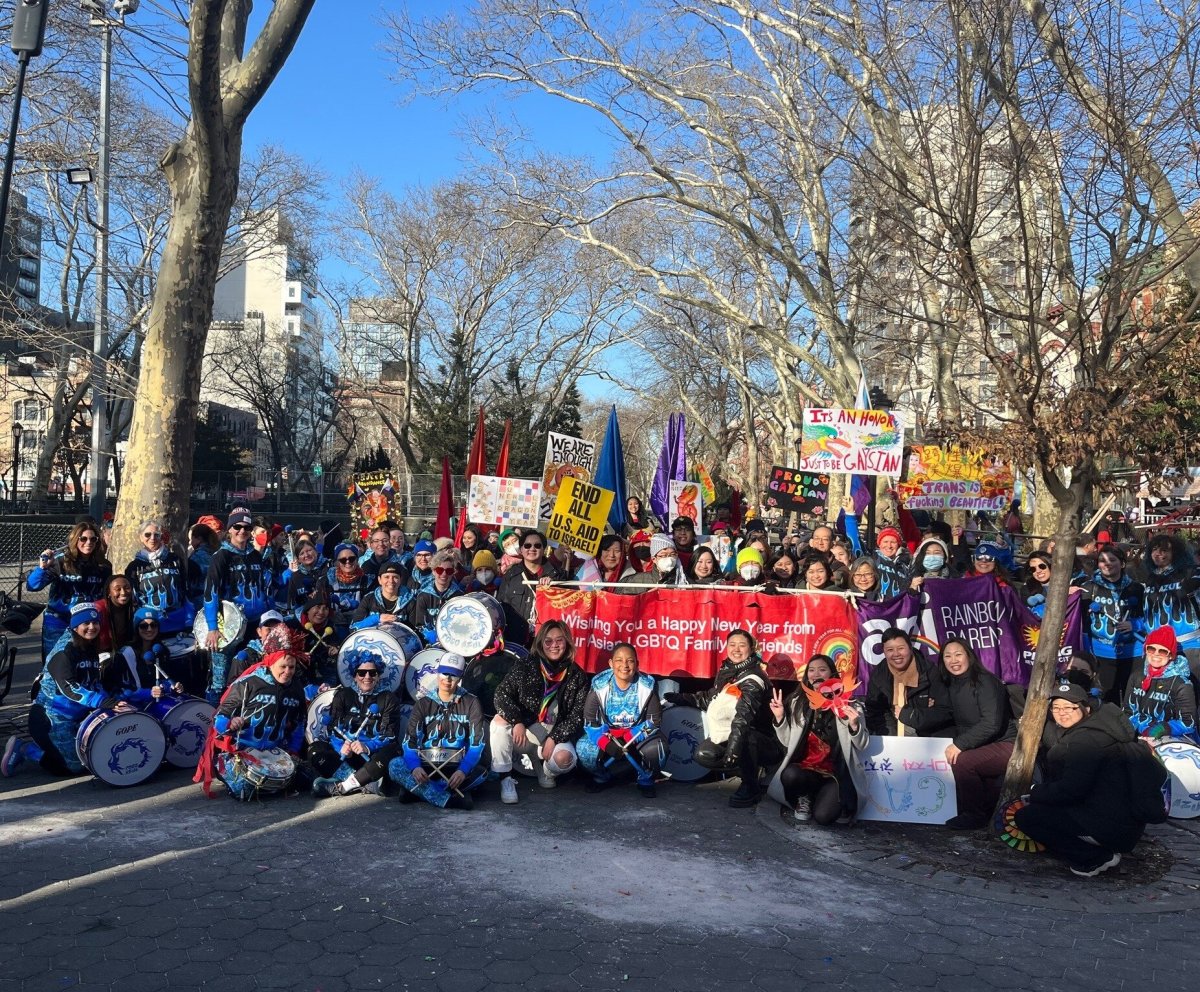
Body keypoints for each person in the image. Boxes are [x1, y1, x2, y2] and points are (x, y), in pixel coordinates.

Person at [1015, 681, 1150, 877]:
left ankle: (1093, 857)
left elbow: (1070, 791)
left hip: (1109, 826)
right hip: (1123, 823)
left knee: (1027, 817)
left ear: (1086, 708)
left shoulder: (1086, 741)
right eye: (1056, 708)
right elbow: (1059, 741)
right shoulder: (1100, 729)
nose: (1062, 713)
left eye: (1069, 707)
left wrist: (1034, 792)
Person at [2, 603, 138, 777]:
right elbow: (70, 688)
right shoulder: (64, 651)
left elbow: (93, 684)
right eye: (86, 623)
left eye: (95, 623)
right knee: (74, 767)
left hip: (77, 716)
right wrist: (104, 702)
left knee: (93, 757)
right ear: (75, 626)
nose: (92, 627)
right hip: (50, 718)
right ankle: (26, 749)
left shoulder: (88, 647)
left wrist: (118, 701)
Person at [901, 638, 1015, 829]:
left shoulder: (985, 682)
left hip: (1006, 744)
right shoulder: (952, 684)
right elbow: (942, 713)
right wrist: (909, 714)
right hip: (981, 743)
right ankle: (974, 808)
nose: (953, 660)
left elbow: (991, 724)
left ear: (969, 656)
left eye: (958, 654)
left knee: (962, 761)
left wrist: (960, 744)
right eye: (948, 656)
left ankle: (974, 815)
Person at [663, 629, 779, 808]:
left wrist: (733, 750)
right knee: (704, 755)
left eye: (742, 645)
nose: (736, 649)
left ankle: (751, 786)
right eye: (732, 645)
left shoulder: (753, 679)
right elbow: (710, 698)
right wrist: (682, 698)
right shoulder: (729, 670)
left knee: (745, 737)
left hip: (761, 739)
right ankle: (750, 769)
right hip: (733, 734)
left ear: (751, 649)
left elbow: (743, 719)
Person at [490, 620, 590, 803]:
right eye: (548, 641)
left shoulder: (577, 675)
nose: (554, 645)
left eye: (559, 640)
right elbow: (501, 694)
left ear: (567, 642)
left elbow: (577, 715)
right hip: (528, 731)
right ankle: (505, 778)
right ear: (540, 643)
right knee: (499, 721)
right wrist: (517, 720)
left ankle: (545, 770)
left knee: (564, 759)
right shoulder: (526, 666)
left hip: (555, 732)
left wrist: (555, 737)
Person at [766, 654, 869, 825]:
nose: (816, 674)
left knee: (823, 817)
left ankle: (826, 797)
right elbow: (787, 742)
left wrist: (855, 725)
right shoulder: (798, 703)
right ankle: (804, 796)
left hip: (835, 773)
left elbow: (862, 744)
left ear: (832, 674)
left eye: (822, 669)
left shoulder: (850, 704)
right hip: (805, 769)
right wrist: (780, 718)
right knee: (790, 774)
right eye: (811, 671)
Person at [197, 649, 307, 800]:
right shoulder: (247, 683)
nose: (287, 672)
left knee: (305, 780)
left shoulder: (296, 688)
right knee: (244, 791)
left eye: (291, 667)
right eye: (283, 667)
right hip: (240, 751)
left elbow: (299, 723)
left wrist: (293, 752)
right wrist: (230, 723)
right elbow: (219, 717)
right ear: (270, 663)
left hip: (273, 752)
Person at [389, 652, 488, 810]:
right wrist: (415, 766)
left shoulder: (471, 702)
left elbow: (477, 743)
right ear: (438, 672)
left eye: (453, 675)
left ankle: (416, 790)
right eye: (444, 673)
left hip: (456, 766)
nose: (448, 679)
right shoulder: (423, 703)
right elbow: (410, 740)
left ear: (460, 677)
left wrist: (463, 770)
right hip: (426, 764)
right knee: (394, 765)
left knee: (482, 773)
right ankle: (448, 799)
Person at [202, 508, 274, 703]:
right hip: (228, 626)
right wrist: (213, 627)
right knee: (220, 676)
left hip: (255, 625)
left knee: (256, 669)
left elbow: (266, 589)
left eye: (247, 527)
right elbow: (211, 593)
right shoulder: (221, 556)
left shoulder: (256, 556)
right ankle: (214, 719)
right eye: (237, 527)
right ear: (230, 529)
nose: (242, 531)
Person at [577, 643, 664, 797]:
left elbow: (654, 721)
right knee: (584, 749)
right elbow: (589, 721)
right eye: (619, 660)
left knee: (658, 749)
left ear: (637, 664)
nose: (624, 665)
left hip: (637, 735)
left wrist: (629, 738)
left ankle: (645, 779)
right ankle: (602, 776)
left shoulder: (647, 686)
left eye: (630, 661)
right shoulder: (599, 685)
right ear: (611, 664)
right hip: (609, 735)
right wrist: (606, 744)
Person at [309, 656, 401, 797]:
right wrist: (342, 747)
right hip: (346, 756)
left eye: (372, 673)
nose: (367, 677)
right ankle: (364, 783)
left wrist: (367, 746)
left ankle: (343, 787)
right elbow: (332, 728)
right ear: (354, 676)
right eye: (362, 673)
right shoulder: (342, 695)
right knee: (314, 749)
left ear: (378, 675)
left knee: (393, 750)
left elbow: (390, 734)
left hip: (373, 758)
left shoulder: (388, 698)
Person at [27, 520, 113, 661]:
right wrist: (42, 568)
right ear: (75, 540)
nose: (88, 542)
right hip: (58, 622)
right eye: (83, 539)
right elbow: (32, 586)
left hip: (86, 624)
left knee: (85, 665)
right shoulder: (61, 561)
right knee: (54, 664)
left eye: (93, 539)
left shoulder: (103, 566)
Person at [1082, 544, 1145, 705]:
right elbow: (1080, 623)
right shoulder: (1088, 588)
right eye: (1102, 560)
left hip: (1133, 653)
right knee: (1107, 698)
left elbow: (1151, 616)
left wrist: (1135, 625)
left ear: (1122, 563)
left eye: (1112, 559)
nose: (1107, 563)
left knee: (1132, 697)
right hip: (1102, 653)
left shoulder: (1136, 588)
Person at [863, 627, 950, 737]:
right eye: (890, 650)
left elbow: (944, 710)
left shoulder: (929, 671)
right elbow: (876, 712)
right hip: (894, 732)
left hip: (928, 734)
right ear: (884, 652)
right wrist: (892, 738)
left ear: (910, 648)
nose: (896, 654)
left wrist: (914, 714)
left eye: (901, 648)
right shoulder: (879, 675)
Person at [1124, 626, 1198, 740]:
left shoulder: (1182, 684)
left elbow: (1189, 723)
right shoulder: (1136, 676)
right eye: (1151, 649)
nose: (1156, 654)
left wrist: (1161, 730)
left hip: (1170, 738)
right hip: (1137, 734)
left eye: (1163, 651)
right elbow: (1128, 711)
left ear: (1171, 655)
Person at [124, 520, 192, 635]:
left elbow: (185, 590)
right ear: (141, 537)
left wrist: (189, 618)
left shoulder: (175, 559)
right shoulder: (134, 567)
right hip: (150, 623)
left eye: (156, 535)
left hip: (177, 619)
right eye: (147, 534)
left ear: (161, 537)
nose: (152, 538)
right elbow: (133, 599)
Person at [496, 530, 562, 645]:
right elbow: (501, 606)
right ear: (521, 549)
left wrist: (553, 588)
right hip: (516, 641)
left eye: (537, 545)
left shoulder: (556, 576)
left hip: (545, 642)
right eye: (527, 545)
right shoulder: (511, 575)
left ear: (544, 549)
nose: (532, 549)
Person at [1140, 534, 1200, 638]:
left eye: (1164, 550)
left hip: (1187, 643)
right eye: (1154, 549)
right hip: (1158, 646)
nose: (1158, 553)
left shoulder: (1189, 572)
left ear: (1175, 553)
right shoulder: (1151, 578)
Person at [407, 549, 465, 644]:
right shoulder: (423, 596)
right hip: (430, 643)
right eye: (439, 570)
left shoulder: (459, 596)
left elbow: (462, 623)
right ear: (433, 571)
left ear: (453, 572)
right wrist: (432, 637)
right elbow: (420, 624)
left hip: (453, 641)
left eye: (449, 571)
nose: (444, 574)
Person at [350, 561, 414, 630]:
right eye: (386, 577)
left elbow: (416, 632)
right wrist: (376, 619)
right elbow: (353, 628)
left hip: (401, 640)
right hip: (373, 639)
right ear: (379, 580)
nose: (391, 581)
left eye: (395, 577)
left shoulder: (410, 600)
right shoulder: (369, 599)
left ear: (400, 580)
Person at [323, 542, 371, 632]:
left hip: (359, 626)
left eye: (352, 559)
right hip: (333, 628)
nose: (348, 562)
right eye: (343, 560)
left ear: (357, 560)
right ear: (337, 562)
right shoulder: (328, 580)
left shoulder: (367, 580)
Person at [620, 533, 686, 589]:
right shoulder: (632, 581)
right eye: (663, 555)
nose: (669, 559)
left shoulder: (685, 581)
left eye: (672, 554)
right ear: (654, 559)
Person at [96, 574, 136, 654]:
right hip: (98, 653)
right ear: (109, 592)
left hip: (118, 651)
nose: (123, 592)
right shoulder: (97, 610)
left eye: (127, 588)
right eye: (117, 589)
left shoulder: (130, 609)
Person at [284, 537, 326, 611]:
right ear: (298, 559)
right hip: (304, 617)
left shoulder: (327, 568)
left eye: (309, 550)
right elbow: (291, 604)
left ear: (316, 551)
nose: (306, 555)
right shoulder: (295, 576)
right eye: (302, 553)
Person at [872, 527, 911, 600]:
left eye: (893, 542)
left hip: (897, 608)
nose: (889, 546)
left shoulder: (904, 565)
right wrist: (850, 517)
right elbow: (855, 543)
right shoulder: (873, 557)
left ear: (898, 545)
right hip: (877, 606)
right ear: (879, 544)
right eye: (885, 542)